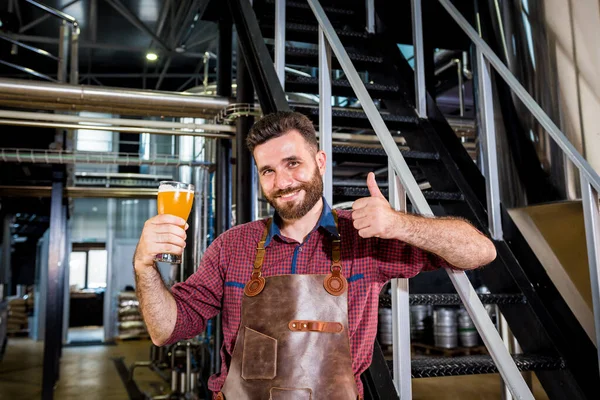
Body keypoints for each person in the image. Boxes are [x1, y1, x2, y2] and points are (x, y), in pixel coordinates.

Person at [133, 111, 497, 399]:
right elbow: (166, 330)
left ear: (320, 161)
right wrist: (145, 267)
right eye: (268, 171)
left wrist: (399, 225)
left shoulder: (364, 237)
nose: (283, 182)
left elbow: (479, 250)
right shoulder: (232, 246)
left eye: (293, 163)